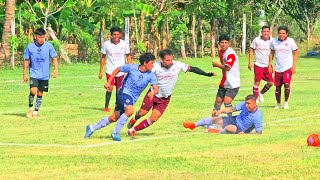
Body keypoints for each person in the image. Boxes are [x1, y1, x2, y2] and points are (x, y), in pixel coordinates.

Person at [127, 49, 216, 137]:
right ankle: (134, 119)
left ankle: (133, 130)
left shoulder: (177, 65)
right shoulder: (155, 67)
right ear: (161, 60)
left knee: (154, 118)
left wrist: (206, 74)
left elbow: (192, 69)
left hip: (165, 98)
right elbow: (143, 73)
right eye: (167, 60)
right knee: (142, 113)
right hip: (153, 95)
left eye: (171, 60)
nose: (170, 62)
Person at [85, 53, 158, 141]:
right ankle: (115, 132)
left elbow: (156, 88)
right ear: (145, 63)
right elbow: (117, 69)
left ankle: (91, 128)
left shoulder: (151, 75)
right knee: (130, 110)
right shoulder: (131, 68)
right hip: (123, 93)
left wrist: (153, 93)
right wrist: (109, 81)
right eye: (151, 63)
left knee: (114, 117)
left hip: (132, 99)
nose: (153, 65)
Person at [23, 27, 58, 118]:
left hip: (44, 75)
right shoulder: (30, 47)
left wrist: (55, 70)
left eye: (43, 37)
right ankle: (30, 108)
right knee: (32, 90)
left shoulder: (49, 46)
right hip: (34, 73)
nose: (42, 39)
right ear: (35, 37)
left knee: (40, 93)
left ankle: (36, 111)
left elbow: (54, 58)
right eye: (40, 37)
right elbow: (26, 60)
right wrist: (24, 74)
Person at [183, 95, 263, 134]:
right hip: (234, 119)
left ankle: (218, 130)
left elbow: (259, 132)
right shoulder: (243, 104)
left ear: (255, 104)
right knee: (215, 120)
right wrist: (219, 111)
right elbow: (231, 109)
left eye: (248, 104)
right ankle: (194, 125)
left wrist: (246, 135)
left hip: (240, 129)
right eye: (246, 103)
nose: (246, 105)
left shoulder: (258, 116)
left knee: (230, 128)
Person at [99, 26, 132, 112]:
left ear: (120, 35)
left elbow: (128, 55)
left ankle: (117, 106)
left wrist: (130, 68)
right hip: (110, 69)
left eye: (117, 34)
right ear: (111, 35)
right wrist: (100, 71)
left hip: (121, 70)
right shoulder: (106, 44)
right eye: (114, 34)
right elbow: (103, 57)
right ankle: (106, 106)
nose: (116, 36)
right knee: (109, 88)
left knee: (119, 89)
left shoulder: (124, 44)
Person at [269, 26, 298, 109]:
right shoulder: (274, 41)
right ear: (278, 34)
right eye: (280, 33)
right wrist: (270, 63)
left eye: (283, 33)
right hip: (278, 68)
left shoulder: (291, 41)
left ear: (287, 34)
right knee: (277, 87)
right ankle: (278, 104)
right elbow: (272, 52)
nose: (281, 35)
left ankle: (286, 102)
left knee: (286, 84)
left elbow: (296, 52)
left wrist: (294, 65)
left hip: (287, 67)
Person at [211, 34, 240, 117]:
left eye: (226, 42)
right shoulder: (221, 52)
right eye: (222, 42)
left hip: (233, 83)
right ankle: (213, 120)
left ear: (229, 43)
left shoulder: (231, 54)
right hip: (224, 81)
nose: (224, 44)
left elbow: (227, 68)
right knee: (218, 101)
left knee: (227, 102)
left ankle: (230, 120)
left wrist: (217, 65)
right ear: (219, 43)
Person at [248, 25, 274, 103]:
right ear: (261, 32)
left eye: (267, 31)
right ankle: (255, 100)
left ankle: (261, 93)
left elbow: (273, 52)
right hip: (258, 64)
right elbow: (251, 50)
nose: (265, 33)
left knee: (271, 82)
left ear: (270, 32)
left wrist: (270, 64)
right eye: (264, 31)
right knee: (257, 82)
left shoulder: (273, 41)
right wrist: (250, 62)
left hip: (267, 65)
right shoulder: (256, 40)